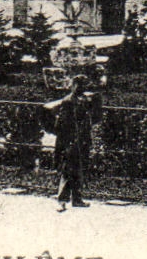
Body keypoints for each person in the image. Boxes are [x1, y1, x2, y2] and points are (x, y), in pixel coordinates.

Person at [43, 74, 102, 211]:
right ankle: (62, 201)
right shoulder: (69, 101)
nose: (82, 88)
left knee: (78, 170)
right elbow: (61, 124)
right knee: (68, 170)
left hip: (81, 140)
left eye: (84, 85)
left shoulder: (83, 100)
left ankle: (77, 199)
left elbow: (93, 116)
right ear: (74, 86)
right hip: (70, 140)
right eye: (80, 85)